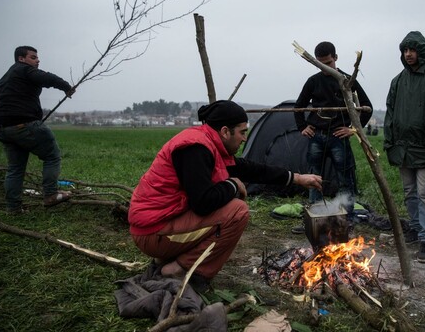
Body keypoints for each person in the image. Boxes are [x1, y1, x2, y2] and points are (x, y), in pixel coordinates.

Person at [128, 100, 322, 290]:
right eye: (242, 132)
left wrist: (297, 178)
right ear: (225, 131)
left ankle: (167, 259)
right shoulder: (195, 149)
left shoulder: (209, 144)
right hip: (153, 233)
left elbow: (248, 169)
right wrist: (232, 185)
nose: (244, 138)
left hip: (161, 225)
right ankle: (183, 270)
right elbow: (202, 203)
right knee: (237, 211)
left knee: (229, 203)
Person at [293, 41, 373, 230]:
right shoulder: (313, 81)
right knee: (313, 179)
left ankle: (348, 219)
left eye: (328, 63)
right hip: (317, 137)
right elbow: (299, 106)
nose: (325, 67)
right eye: (320, 63)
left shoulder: (347, 80)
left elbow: (366, 107)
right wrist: (303, 126)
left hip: (339, 137)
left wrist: (353, 129)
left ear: (335, 58)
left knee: (346, 179)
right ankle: (315, 220)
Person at [384, 31, 425, 263]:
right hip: (403, 148)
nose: (408, 54)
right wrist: (390, 141)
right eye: (404, 50)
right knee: (410, 192)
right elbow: (390, 112)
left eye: (412, 50)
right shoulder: (397, 81)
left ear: (422, 51)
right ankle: (415, 227)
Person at [0, 46, 76, 214]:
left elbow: (1, 94)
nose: (37, 60)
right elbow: (46, 77)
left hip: (2, 129)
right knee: (51, 156)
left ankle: (13, 208)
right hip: (24, 124)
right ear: (21, 59)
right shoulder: (24, 70)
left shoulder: (3, 80)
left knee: (15, 168)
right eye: (33, 57)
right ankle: (51, 194)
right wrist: (66, 87)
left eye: (37, 58)